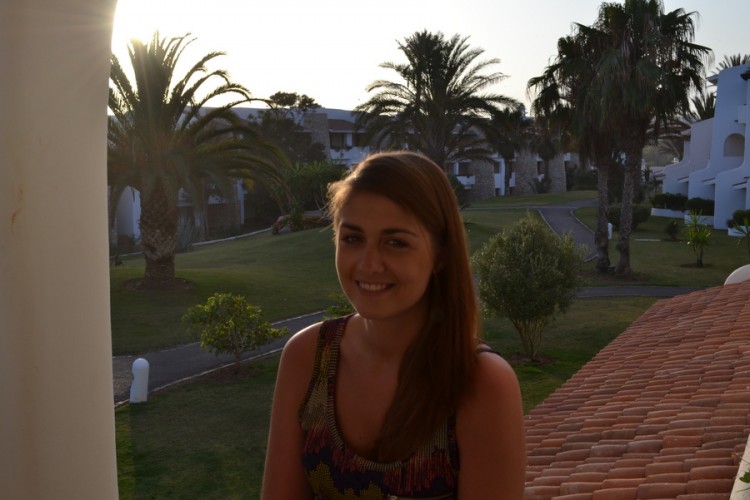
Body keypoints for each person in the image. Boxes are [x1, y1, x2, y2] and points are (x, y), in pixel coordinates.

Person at [262, 151, 526, 499]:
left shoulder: (480, 383)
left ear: (441, 254)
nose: (369, 264)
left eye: (396, 242)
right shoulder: (307, 357)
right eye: (353, 238)